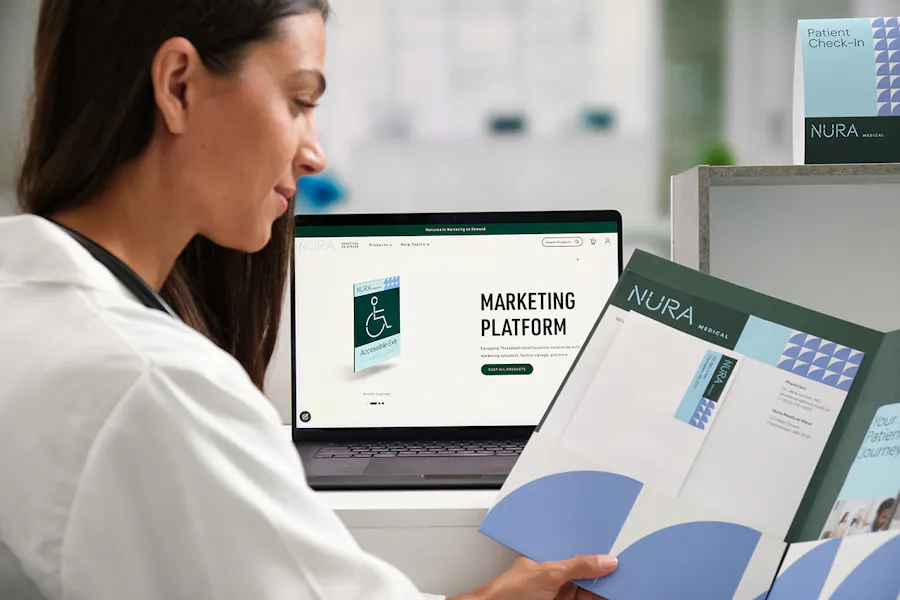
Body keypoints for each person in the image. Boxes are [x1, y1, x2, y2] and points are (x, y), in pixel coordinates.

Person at [0, 1, 619, 599]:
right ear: (178, 85)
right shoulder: (158, 387)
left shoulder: (27, 305)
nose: (315, 155)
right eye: (300, 101)